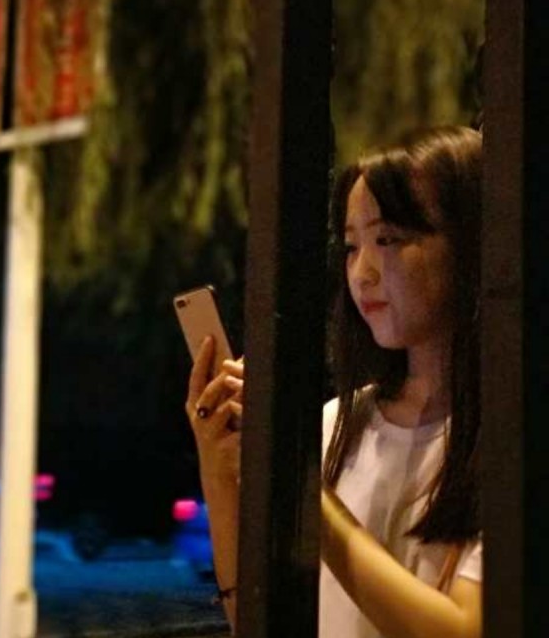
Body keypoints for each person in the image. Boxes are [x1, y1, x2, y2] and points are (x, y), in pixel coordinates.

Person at [185, 126, 483, 638]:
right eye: (350, 246)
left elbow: (463, 629)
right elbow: (252, 616)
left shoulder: (503, 439)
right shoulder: (335, 424)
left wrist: (304, 493)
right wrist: (219, 467)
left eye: (388, 239)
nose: (362, 273)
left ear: (473, 242)